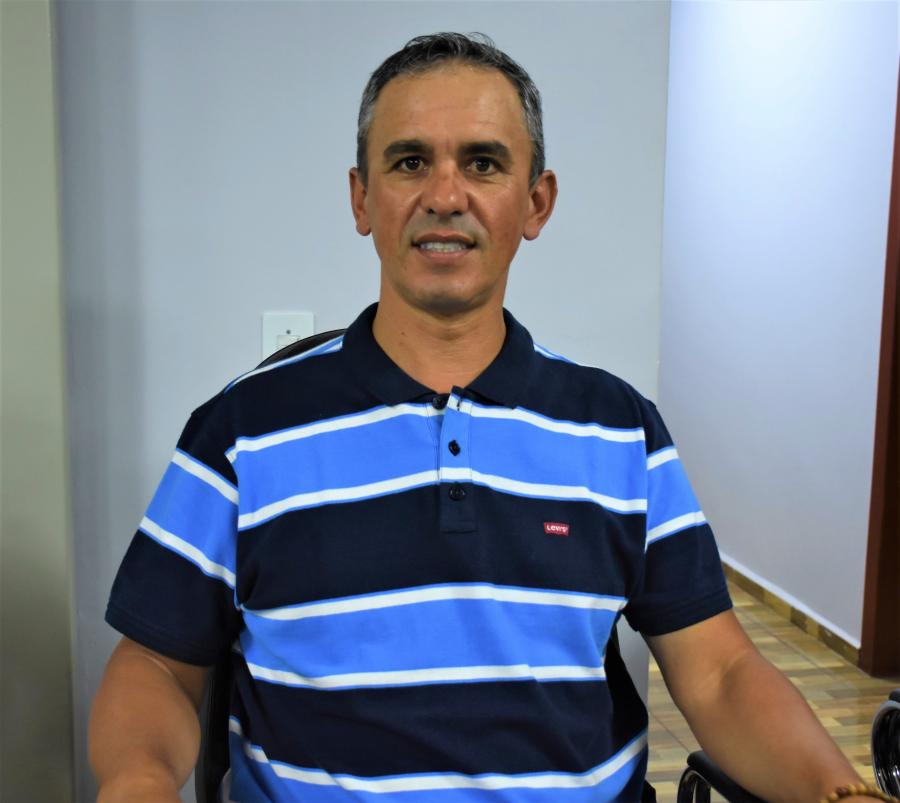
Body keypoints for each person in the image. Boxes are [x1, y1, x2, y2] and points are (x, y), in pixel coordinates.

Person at [90, 33, 878, 803]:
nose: (444, 196)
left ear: (536, 202)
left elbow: (721, 671)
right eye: (409, 162)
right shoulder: (241, 431)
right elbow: (156, 664)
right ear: (362, 198)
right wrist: (138, 779)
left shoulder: (621, 432)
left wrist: (837, 790)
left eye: (483, 163)